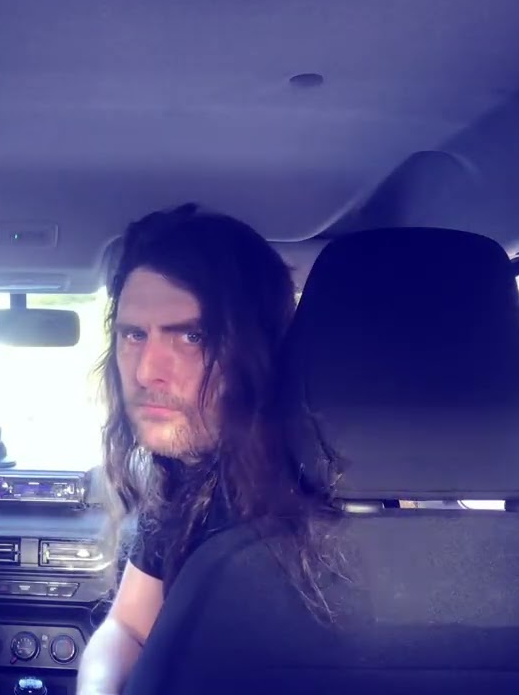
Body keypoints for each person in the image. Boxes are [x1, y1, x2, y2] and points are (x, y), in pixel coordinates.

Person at [75, 204, 340, 695]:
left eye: (192, 337)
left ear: (257, 352)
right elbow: (128, 627)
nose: (145, 372)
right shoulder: (187, 478)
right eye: (134, 335)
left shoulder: (324, 503)